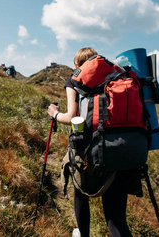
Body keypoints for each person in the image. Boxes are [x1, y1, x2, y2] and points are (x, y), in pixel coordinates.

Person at [47, 47, 133, 237]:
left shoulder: (76, 78)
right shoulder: (117, 75)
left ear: (78, 64)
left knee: (80, 193)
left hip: (91, 150)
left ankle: (83, 234)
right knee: (116, 218)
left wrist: (54, 114)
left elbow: (70, 117)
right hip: (125, 148)